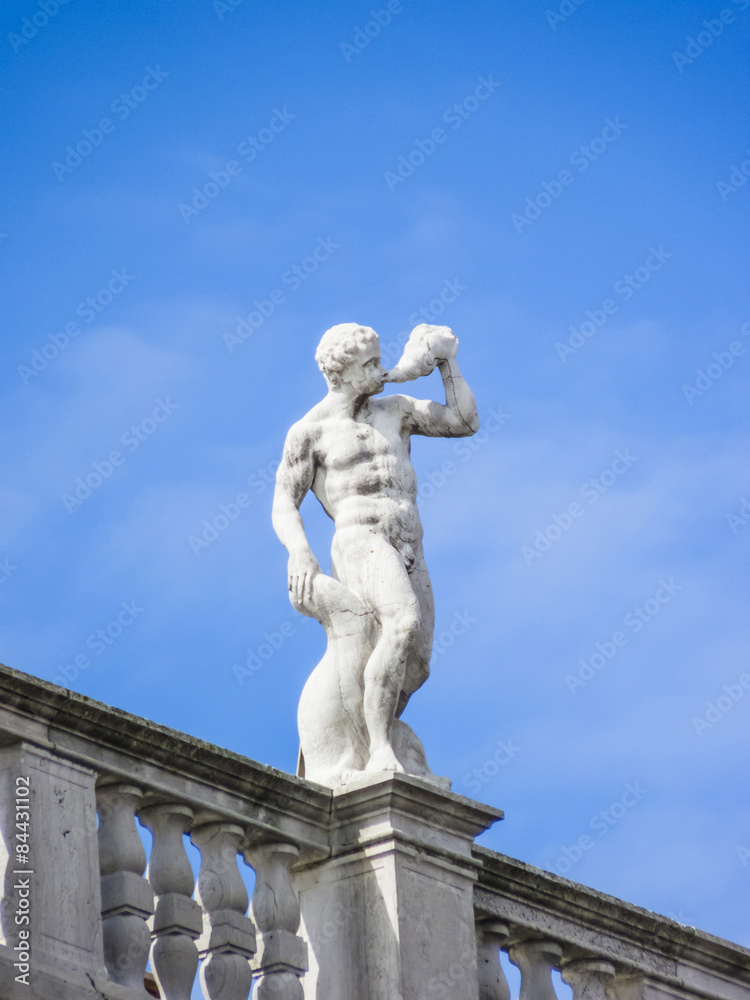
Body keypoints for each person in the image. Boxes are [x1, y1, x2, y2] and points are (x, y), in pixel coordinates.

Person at [272, 322, 479, 776]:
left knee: (417, 663)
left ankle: (366, 730)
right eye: (369, 365)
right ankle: (382, 749)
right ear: (341, 375)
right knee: (400, 622)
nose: (381, 369)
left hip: (409, 541)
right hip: (359, 539)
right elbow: (284, 502)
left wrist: (446, 362)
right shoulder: (310, 431)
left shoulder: (396, 410)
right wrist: (300, 551)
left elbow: (464, 421)